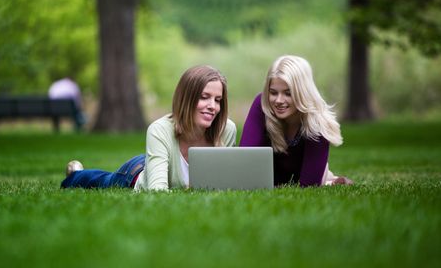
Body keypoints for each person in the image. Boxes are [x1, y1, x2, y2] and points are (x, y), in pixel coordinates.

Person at [61, 65, 237, 191]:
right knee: (106, 181)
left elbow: (225, 184)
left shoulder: (226, 129)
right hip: (137, 172)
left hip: (158, 158)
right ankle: (76, 174)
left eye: (218, 100)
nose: (212, 106)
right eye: (205, 97)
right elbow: (157, 192)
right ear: (186, 99)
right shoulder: (160, 130)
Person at [239, 55, 353, 187]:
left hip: (302, 174)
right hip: (273, 176)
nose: (279, 101)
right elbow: (245, 159)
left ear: (302, 93)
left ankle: (329, 178)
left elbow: (309, 185)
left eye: (288, 93)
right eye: (273, 92)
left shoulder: (317, 121)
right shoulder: (262, 104)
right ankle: (329, 179)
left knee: (319, 180)